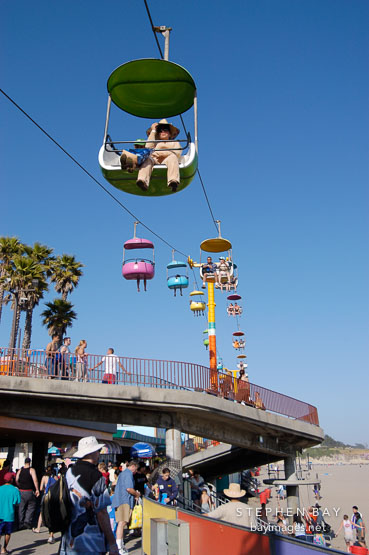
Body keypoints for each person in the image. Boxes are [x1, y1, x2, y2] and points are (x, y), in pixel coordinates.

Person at [60, 435, 118, 555]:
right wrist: (112, 543)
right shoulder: (96, 476)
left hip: (69, 539)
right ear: (92, 452)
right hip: (91, 541)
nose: (99, 453)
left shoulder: (69, 472)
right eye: (98, 450)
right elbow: (102, 512)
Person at [136, 119, 182, 193]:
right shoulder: (155, 142)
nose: (162, 132)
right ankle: (142, 180)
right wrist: (153, 131)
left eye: (165, 130)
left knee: (173, 158)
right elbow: (148, 147)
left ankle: (173, 181)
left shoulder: (174, 142)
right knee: (147, 159)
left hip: (167, 159)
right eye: (160, 130)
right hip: (154, 159)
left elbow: (177, 153)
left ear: (170, 134)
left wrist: (161, 153)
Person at [112, 460, 140, 555]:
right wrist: (137, 494)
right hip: (124, 501)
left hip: (119, 500)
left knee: (121, 522)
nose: (135, 471)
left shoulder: (122, 474)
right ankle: (119, 546)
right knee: (122, 522)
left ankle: (120, 544)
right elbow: (129, 489)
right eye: (135, 469)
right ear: (133, 466)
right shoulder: (128, 474)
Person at [32, 466, 56, 544]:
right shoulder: (55, 477)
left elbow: (41, 488)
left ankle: (38, 528)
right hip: (53, 497)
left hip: (46, 496)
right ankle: (51, 533)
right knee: (52, 514)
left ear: (46, 470)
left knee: (42, 512)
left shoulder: (44, 477)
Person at [16, 457, 40, 530]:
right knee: (31, 506)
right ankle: (27, 522)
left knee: (21, 507)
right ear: (30, 462)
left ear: (24, 462)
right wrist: (37, 489)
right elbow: (35, 480)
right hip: (29, 491)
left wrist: (19, 485)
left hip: (21, 491)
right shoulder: (31, 470)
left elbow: (16, 479)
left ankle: (20, 522)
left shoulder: (20, 470)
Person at [0, 472, 21, 554]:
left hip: (0, 513)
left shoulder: (0, 488)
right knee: (7, 532)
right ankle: (4, 549)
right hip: (9, 514)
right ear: (11, 480)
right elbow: (17, 502)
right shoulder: (15, 490)